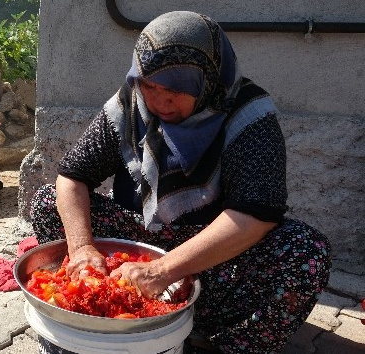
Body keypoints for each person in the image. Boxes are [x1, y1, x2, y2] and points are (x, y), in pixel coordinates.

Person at [29, 10, 331, 354]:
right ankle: (110, 311)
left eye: (174, 89)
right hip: (139, 242)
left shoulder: (249, 116)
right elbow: (72, 177)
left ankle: (219, 339)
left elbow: (257, 215)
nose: (158, 102)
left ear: (206, 81)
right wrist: (82, 249)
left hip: (212, 260)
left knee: (306, 251)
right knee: (48, 202)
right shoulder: (130, 103)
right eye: (148, 85)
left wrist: (163, 271)